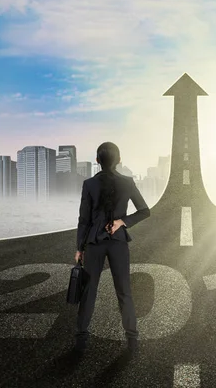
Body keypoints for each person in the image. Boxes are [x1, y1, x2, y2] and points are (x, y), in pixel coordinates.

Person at [73, 142, 150, 356]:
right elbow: (144, 211)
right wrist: (121, 222)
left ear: (97, 161)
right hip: (118, 242)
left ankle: (81, 341)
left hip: (93, 243)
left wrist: (79, 247)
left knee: (88, 292)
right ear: (119, 160)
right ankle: (132, 341)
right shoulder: (127, 182)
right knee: (124, 291)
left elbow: (83, 219)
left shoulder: (89, 184)